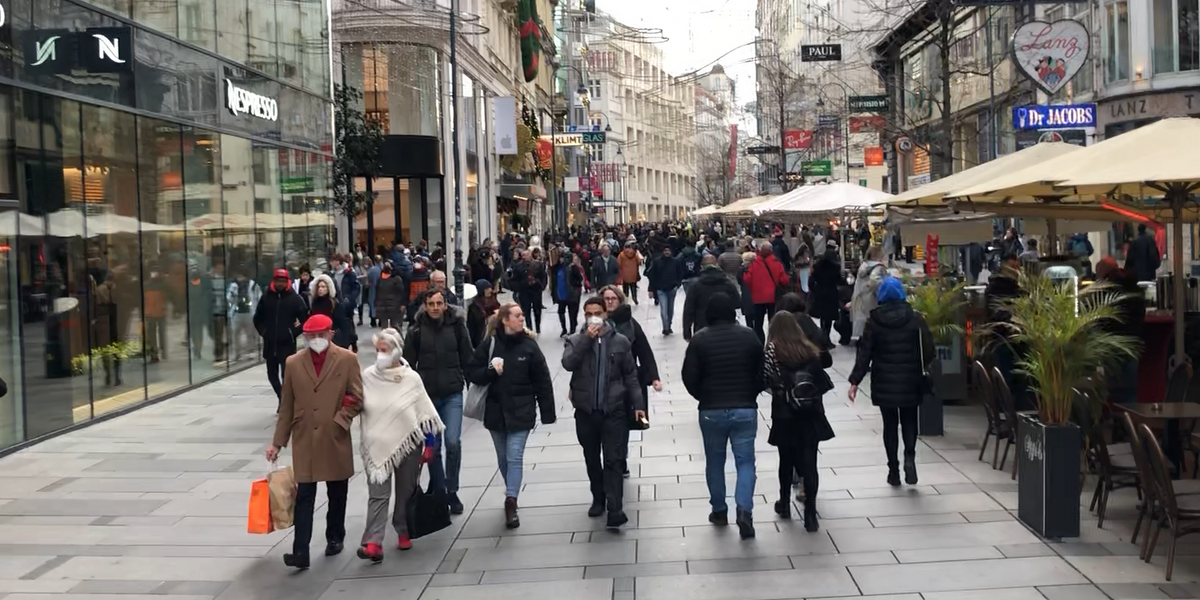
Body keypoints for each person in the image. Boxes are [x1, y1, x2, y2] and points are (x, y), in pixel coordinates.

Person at [266, 314, 363, 570]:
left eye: (321, 335)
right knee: (305, 496)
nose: (316, 340)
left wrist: (341, 420)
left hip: (334, 437)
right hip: (305, 437)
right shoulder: (293, 363)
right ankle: (301, 551)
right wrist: (277, 443)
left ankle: (335, 536)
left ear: (331, 334)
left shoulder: (347, 359)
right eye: (311, 337)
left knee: (337, 491)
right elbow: (286, 406)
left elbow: (356, 396)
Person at [356, 328, 444, 563]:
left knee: (406, 490)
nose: (380, 355)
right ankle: (373, 541)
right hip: (376, 444)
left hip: (408, 443)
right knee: (378, 494)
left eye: (384, 350)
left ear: (396, 351)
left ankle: (403, 528)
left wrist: (430, 444)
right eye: (377, 350)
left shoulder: (411, 378)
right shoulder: (367, 376)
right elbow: (356, 401)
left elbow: (425, 412)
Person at [681, 292, 765, 539]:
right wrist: (751, 392)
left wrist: (703, 396)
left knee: (715, 462)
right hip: (744, 408)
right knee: (745, 461)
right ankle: (744, 509)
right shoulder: (749, 336)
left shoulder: (699, 340)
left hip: (711, 410)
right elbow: (762, 371)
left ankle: (719, 509)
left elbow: (689, 376)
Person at [466, 303, 556, 529]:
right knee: (503, 458)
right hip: (495, 412)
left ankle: (511, 500)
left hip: (521, 411)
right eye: (518, 315)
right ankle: (512, 492)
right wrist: (490, 371)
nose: (522, 318)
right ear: (505, 320)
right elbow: (472, 373)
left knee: (514, 456)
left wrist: (548, 412)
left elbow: (543, 380)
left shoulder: (529, 347)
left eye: (522, 314)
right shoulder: (490, 345)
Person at [562, 297, 645, 528]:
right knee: (591, 457)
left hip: (613, 409)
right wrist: (586, 339)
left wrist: (638, 404)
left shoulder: (620, 342)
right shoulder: (574, 340)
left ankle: (615, 507)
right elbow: (568, 363)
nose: (594, 317)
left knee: (614, 458)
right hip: (587, 411)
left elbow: (630, 375)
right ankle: (598, 497)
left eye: (597, 312)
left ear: (606, 314)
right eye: (589, 313)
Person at [847, 277, 934, 487]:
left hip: (884, 380)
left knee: (889, 425)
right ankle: (910, 457)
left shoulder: (874, 321)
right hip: (910, 379)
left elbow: (864, 353)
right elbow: (929, 349)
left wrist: (855, 381)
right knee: (910, 420)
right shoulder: (915, 318)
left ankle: (893, 470)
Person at [403, 288, 474, 515]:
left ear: (445, 305)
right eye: (431, 304)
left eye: (439, 303)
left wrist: (474, 381)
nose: (435, 308)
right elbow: (407, 365)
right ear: (425, 305)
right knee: (433, 448)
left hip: (452, 392)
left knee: (453, 441)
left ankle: (452, 489)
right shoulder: (415, 330)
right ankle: (441, 490)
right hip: (427, 398)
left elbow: (468, 357)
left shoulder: (457, 326)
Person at [764, 311, 834, 532]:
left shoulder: (772, 352)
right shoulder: (808, 351)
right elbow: (823, 382)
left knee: (786, 460)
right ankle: (811, 514)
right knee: (810, 462)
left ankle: (784, 502)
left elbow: (764, 380)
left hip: (784, 414)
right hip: (810, 414)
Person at [1095, 257, 1146, 405]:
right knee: (1129, 390)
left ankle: (1118, 422)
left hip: (1113, 344)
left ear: (1103, 272)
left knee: (1114, 390)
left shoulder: (1106, 289)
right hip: (1132, 344)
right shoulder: (1133, 285)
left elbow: (1103, 317)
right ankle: (1130, 422)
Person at [255, 268, 310, 401]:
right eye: (278, 281)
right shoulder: (266, 297)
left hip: (287, 344)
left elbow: (306, 320)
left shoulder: (295, 299)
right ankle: (282, 398)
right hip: (270, 343)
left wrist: (292, 333)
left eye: (283, 281)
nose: (280, 284)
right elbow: (257, 318)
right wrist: (264, 332)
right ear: (274, 281)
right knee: (272, 375)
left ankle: (286, 402)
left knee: (287, 376)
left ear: (287, 282)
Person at [682, 255, 741, 341]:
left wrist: (687, 333)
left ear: (702, 267)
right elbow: (738, 303)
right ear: (716, 264)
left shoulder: (696, 286)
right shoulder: (727, 283)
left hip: (701, 326)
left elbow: (689, 310)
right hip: (726, 326)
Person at [743, 242, 791, 341]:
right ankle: (772, 341)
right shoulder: (777, 263)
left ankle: (760, 342)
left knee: (758, 323)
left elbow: (747, 279)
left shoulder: (754, 263)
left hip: (757, 297)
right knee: (773, 321)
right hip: (773, 297)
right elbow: (785, 280)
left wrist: (753, 289)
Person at [850, 246, 887, 343]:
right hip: (871, 299)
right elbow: (875, 282)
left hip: (859, 298)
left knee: (862, 323)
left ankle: (861, 339)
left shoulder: (863, 266)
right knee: (872, 322)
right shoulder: (879, 267)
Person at [810, 242, 843, 346]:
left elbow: (812, 280)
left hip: (820, 292)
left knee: (822, 316)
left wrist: (814, 290)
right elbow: (839, 280)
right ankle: (826, 338)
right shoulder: (836, 267)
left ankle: (822, 338)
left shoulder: (818, 266)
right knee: (828, 318)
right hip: (831, 293)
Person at [648, 246, 684, 335]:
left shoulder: (675, 262)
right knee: (664, 309)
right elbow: (652, 276)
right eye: (665, 250)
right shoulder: (657, 262)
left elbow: (680, 274)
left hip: (672, 288)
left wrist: (677, 285)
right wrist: (651, 289)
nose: (667, 252)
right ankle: (665, 327)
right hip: (661, 289)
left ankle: (669, 325)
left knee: (670, 309)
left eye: (668, 250)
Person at [227, 271, 262, 360]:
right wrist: (233, 296)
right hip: (237, 313)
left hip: (249, 312)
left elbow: (259, 297)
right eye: (239, 276)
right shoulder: (233, 286)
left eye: (242, 276)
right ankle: (236, 353)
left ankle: (250, 351)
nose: (240, 278)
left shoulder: (253, 285)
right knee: (235, 334)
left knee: (249, 333)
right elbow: (229, 298)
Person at [551, 253, 586, 336]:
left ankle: (572, 329)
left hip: (571, 294)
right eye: (560, 258)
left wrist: (575, 287)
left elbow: (580, 279)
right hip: (561, 294)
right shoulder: (557, 268)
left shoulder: (573, 268)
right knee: (560, 312)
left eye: (563, 258)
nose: (561, 260)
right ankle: (564, 329)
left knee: (572, 313)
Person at [467, 278, 500, 347]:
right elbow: (472, 327)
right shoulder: (474, 307)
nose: (490, 290)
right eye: (487, 288)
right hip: (480, 337)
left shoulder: (494, 302)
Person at [375, 263, 408, 329]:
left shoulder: (394, 279)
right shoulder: (394, 279)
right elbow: (377, 292)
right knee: (389, 326)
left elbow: (402, 292)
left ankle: (396, 338)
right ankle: (390, 338)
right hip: (388, 305)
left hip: (389, 305)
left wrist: (403, 304)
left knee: (392, 325)